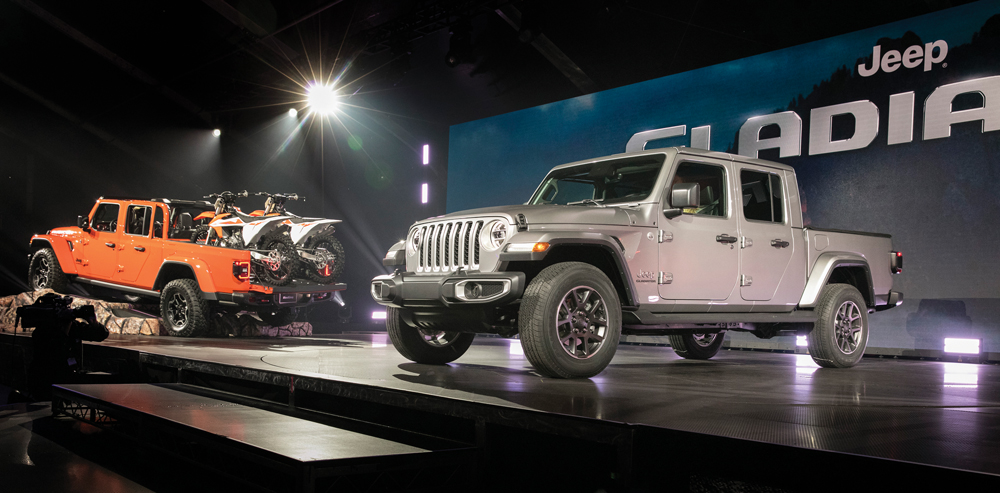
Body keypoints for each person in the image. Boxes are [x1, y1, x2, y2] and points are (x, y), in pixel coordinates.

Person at [22, 294, 109, 400]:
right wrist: (65, 328)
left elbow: (101, 335)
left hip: (68, 376)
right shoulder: (41, 331)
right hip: (45, 380)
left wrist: (94, 323)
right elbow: (54, 351)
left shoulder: (73, 326)